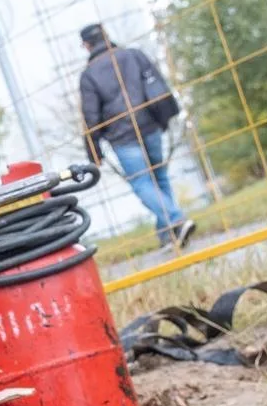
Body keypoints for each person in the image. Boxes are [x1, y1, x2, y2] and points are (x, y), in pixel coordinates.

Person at [78, 23, 195, 249]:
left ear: (86, 45)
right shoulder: (133, 55)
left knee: (142, 182)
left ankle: (176, 221)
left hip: (122, 136)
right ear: (106, 36)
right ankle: (168, 236)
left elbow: (90, 116)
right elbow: (157, 85)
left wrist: (94, 152)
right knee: (159, 178)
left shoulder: (89, 75)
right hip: (149, 125)